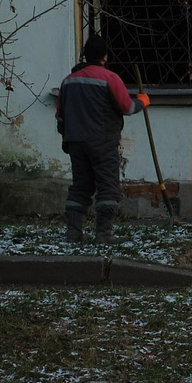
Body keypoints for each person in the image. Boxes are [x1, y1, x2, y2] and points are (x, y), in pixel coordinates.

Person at [57, 35, 142, 245]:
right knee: (107, 187)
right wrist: (143, 102)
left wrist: (66, 137)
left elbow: (60, 115)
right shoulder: (110, 78)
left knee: (80, 186)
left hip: (76, 142)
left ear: (85, 55)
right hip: (102, 142)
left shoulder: (68, 81)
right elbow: (127, 107)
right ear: (105, 56)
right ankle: (104, 234)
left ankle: (73, 233)